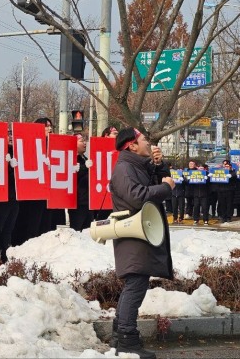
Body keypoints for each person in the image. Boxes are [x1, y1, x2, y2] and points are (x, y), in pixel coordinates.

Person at [109, 128, 174, 359]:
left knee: (135, 284)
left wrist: (160, 166)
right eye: (144, 139)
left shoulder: (135, 166)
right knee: (135, 285)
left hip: (139, 235)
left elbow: (155, 182)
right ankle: (127, 340)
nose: (149, 142)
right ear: (132, 146)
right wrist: (166, 188)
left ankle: (120, 337)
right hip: (133, 235)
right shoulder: (124, 169)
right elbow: (137, 196)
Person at [68, 134, 93, 231]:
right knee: (76, 231)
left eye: (85, 140)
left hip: (88, 201)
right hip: (77, 202)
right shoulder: (71, 158)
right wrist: (84, 168)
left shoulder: (86, 159)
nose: (85, 143)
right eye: (81, 141)